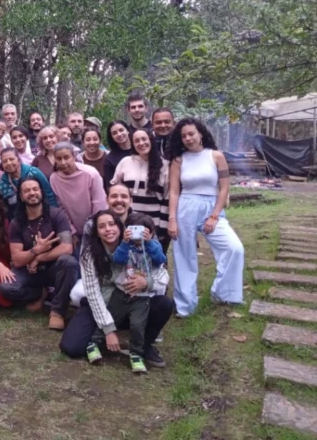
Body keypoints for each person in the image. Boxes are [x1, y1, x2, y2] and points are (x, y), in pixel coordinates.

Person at [60, 209, 173, 371]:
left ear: (121, 228)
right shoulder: (90, 254)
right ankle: (99, 333)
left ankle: (144, 346)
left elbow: (162, 272)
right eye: (102, 226)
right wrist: (109, 330)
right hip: (103, 302)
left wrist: (147, 282)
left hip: (135, 301)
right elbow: (92, 292)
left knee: (164, 303)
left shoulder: (140, 246)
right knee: (72, 347)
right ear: (96, 232)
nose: (108, 229)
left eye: (112, 224)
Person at [168, 118, 245, 318]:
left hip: (212, 205)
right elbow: (174, 192)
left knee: (234, 248)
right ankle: (185, 306)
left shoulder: (216, 156)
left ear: (201, 133)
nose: (188, 138)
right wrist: (172, 219)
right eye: (183, 136)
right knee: (184, 257)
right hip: (185, 207)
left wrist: (214, 215)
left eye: (191, 133)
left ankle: (223, 293)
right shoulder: (179, 160)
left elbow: (224, 187)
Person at [0, 177, 76, 330]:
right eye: (27, 190)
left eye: (35, 189)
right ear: (21, 196)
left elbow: (67, 248)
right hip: (29, 271)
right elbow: (18, 260)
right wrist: (35, 250)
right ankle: (39, 294)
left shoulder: (57, 215)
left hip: (53, 268)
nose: (32, 193)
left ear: (41, 191)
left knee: (69, 262)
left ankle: (57, 312)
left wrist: (39, 257)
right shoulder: (16, 223)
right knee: (5, 288)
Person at [111, 128, 171, 255]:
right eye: (136, 140)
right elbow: (114, 190)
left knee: (154, 261)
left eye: (144, 139)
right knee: (127, 261)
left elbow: (167, 199)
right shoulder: (125, 162)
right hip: (127, 224)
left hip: (152, 225)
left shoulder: (165, 165)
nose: (141, 143)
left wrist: (162, 229)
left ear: (151, 140)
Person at [49, 142, 107, 237]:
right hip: (73, 229)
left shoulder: (91, 173)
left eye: (66, 157)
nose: (63, 162)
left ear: (74, 156)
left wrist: (94, 228)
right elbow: (60, 207)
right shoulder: (54, 178)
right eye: (59, 159)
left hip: (96, 227)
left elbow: (99, 203)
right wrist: (71, 231)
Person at [0, 147, 58, 220]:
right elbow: (6, 209)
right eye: (5, 161)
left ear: (18, 159)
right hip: (20, 222)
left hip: (43, 217)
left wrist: (54, 217)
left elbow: (49, 194)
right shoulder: (3, 184)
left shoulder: (34, 172)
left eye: (11, 159)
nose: (9, 163)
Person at [104, 120, 133, 189]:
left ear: (127, 130)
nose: (119, 134)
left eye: (121, 130)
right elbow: (110, 185)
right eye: (114, 133)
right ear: (111, 137)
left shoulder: (139, 150)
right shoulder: (110, 159)